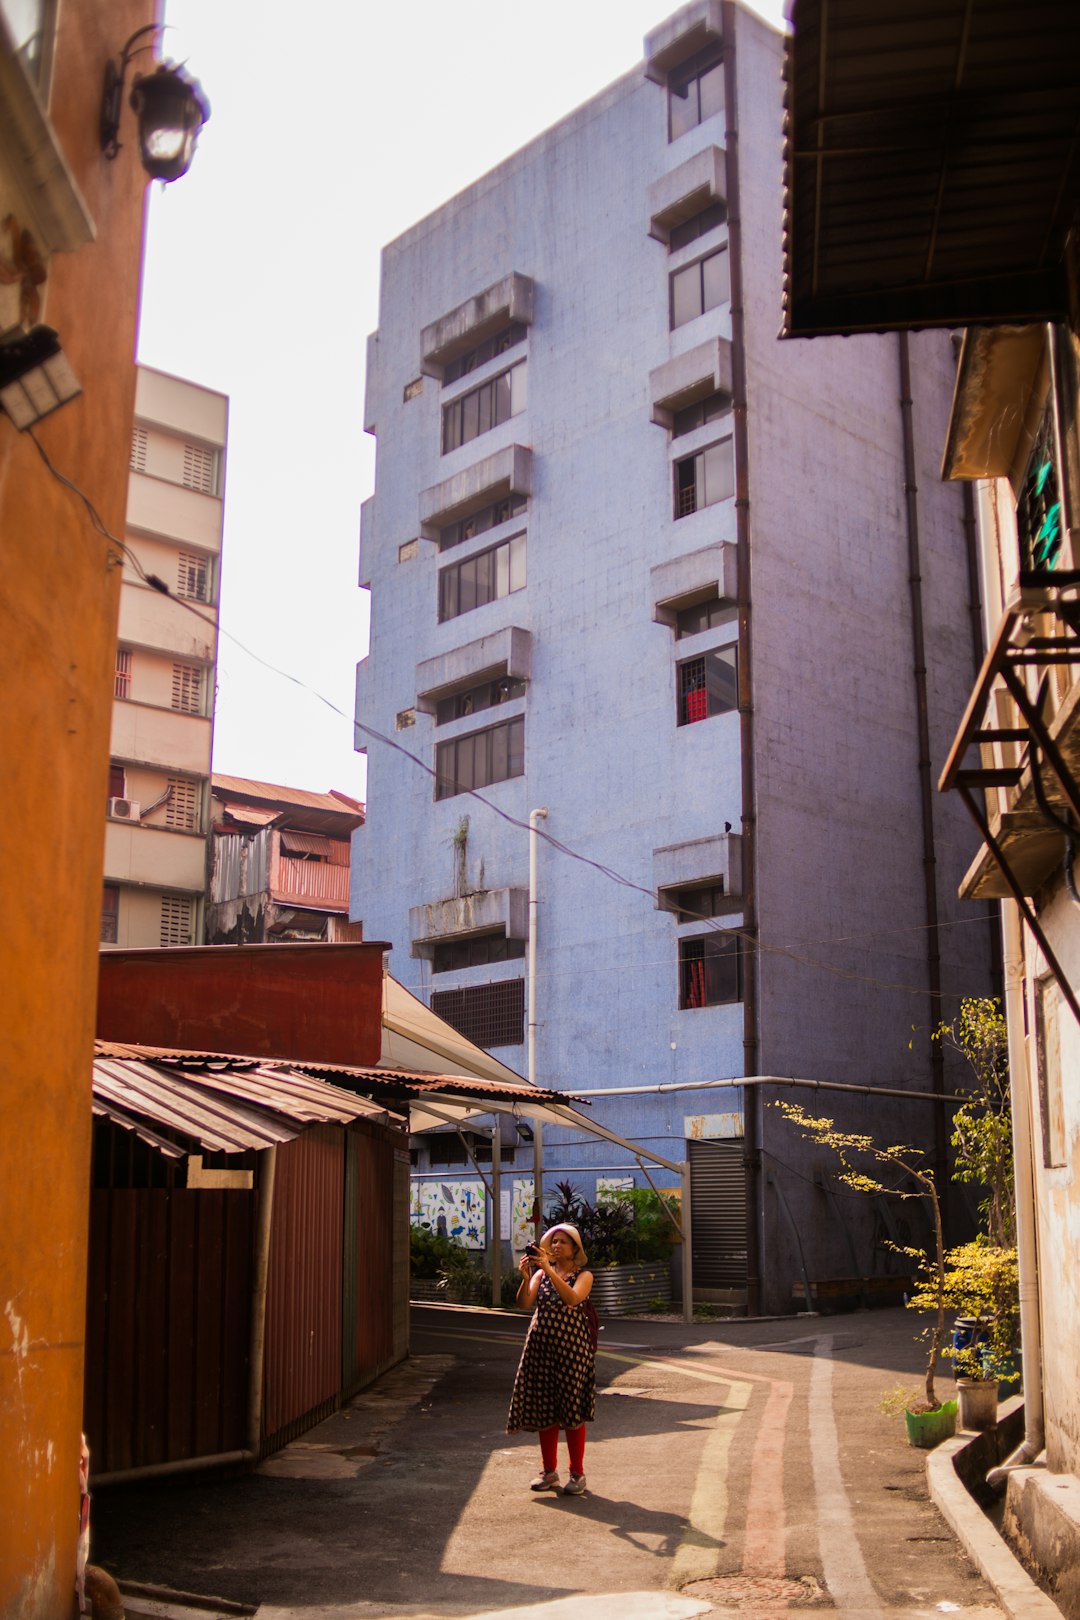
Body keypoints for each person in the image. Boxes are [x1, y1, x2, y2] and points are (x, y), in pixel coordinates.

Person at [506, 1222, 595, 1496]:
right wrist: (525, 1277)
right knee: (545, 1410)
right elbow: (524, 1303)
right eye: (553, 1241)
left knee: (571, 1411)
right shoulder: (541, 1275)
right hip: (540, 1349)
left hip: (571, 1351)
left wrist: (547, 1270)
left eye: (562, 1242)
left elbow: (572, 1299)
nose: (556, 1246)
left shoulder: (584, 1275)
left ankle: (577, 1474)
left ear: (574, 1249)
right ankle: (549, 1471)